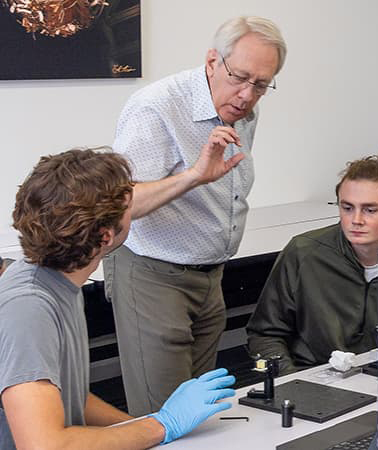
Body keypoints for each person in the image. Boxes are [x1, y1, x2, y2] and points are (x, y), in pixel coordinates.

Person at [104, 16, 287, 415]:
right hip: (153, 274)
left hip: (211, 275)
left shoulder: (244, 109)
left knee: (199, 415)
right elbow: (119, 203)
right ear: (211, 62)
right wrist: (193, 177)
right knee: (165, 420)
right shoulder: (157, 107)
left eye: (261, 84)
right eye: (239, 77)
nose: (246, 94)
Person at [0, 148, 236, 449]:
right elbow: (44, 445)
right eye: (128, 203)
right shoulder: (29, 308)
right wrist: (163, 425)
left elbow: (66, 395)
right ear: (105, 237)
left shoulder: (58, 280)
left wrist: (139, 426)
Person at [246, 151, 378, 374]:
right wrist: (293, 383)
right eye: (347, 208)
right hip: (318, 377)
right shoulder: (304, 253)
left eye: (370, 209)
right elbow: (265, 334)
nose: (356, 220)